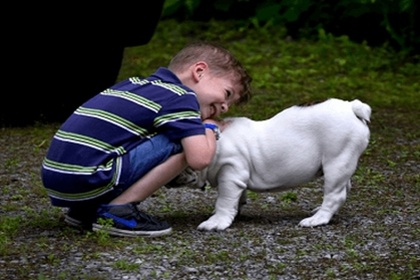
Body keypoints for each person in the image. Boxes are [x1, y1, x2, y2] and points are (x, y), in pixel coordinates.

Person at [41, 41, 252, 237]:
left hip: (58, 178)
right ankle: (118, 211)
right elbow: (200, 158)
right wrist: (209, 127)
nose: (225, 107)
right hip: (89, 177)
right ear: (199, 71)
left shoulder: (134, 84)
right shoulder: (181, 97)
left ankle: (84, 211)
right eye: (227, 93)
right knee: (183, 141)